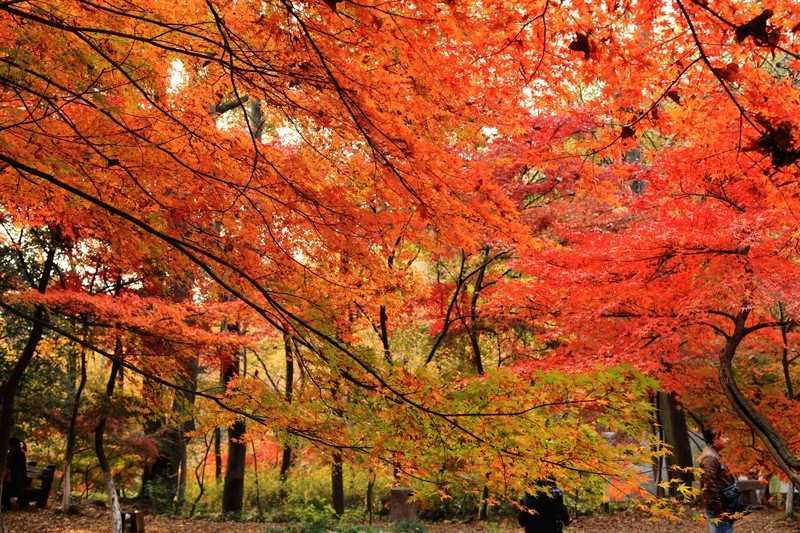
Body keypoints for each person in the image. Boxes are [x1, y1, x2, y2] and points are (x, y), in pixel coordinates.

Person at [699, 430, 737, 533]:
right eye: (723, 437)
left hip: (724, 504)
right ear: (715, 439)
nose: (727, 439)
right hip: (720, 507)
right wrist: (719, 511)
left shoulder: (715, 455)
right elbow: (709, 486)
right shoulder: (710, 458)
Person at [2, 438, 28, 510]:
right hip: (18, 479)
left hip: (16, 480)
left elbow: (9, 467)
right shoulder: (19, 453)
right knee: (5, 485)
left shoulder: (14, 454)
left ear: (12, 445)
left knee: (5, 487)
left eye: (9, 445)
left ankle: (6, 506)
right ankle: (6, 505)